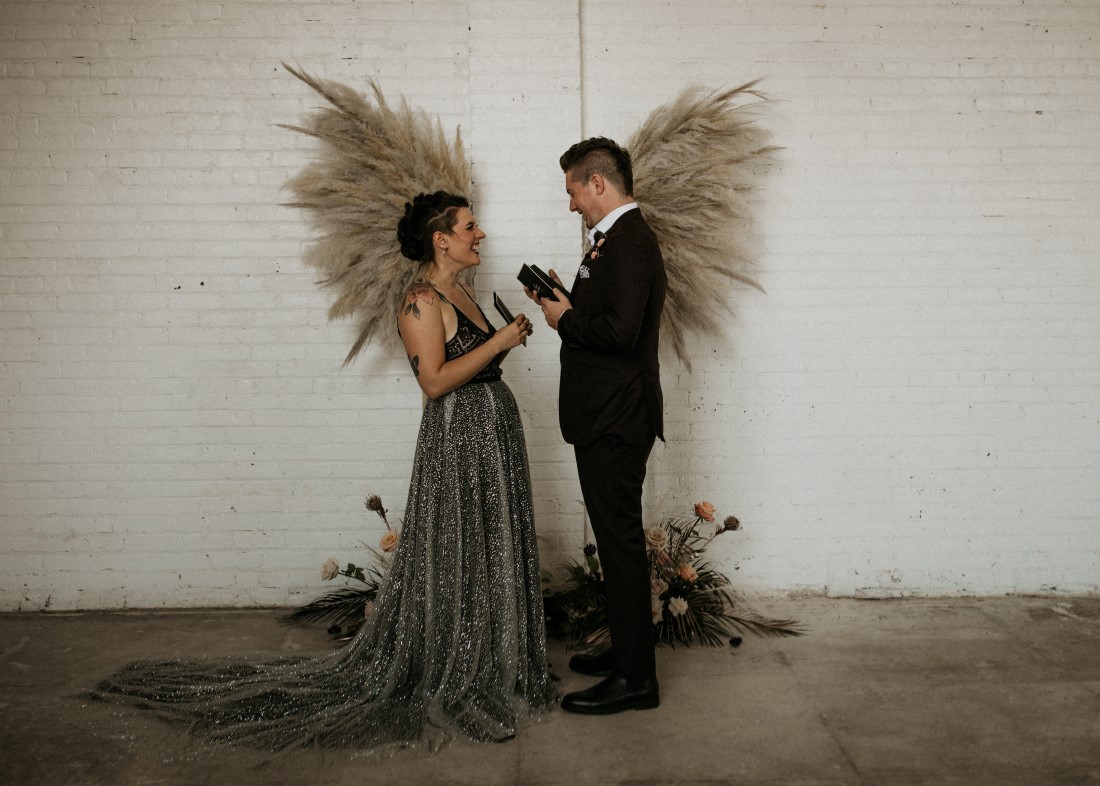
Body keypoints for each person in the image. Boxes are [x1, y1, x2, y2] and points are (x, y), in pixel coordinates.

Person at [93, 191, 556, 754]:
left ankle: (497, 661)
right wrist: (501, 342)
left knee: (489, 547)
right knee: (458, 548)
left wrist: (503, 340)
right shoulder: (420, 301)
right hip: (458, 439)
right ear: (442, 238)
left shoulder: (464, 290)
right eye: (470, 226)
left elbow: (473, 363)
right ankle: (458, 676)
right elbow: (434, 382)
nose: (479, 234)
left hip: (493, 433)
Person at [527, 137, 667, 714]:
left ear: (598, 184)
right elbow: (607, 318)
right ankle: (625, 655)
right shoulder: (614, 242)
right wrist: (568, 300)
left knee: (621, 547)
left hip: (616, 420)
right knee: (615, 547)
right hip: (604, 417)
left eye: (572, 191)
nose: (571, 204)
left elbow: (620, 334)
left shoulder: (630, 241)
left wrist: (564, 320)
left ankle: (637, 681)